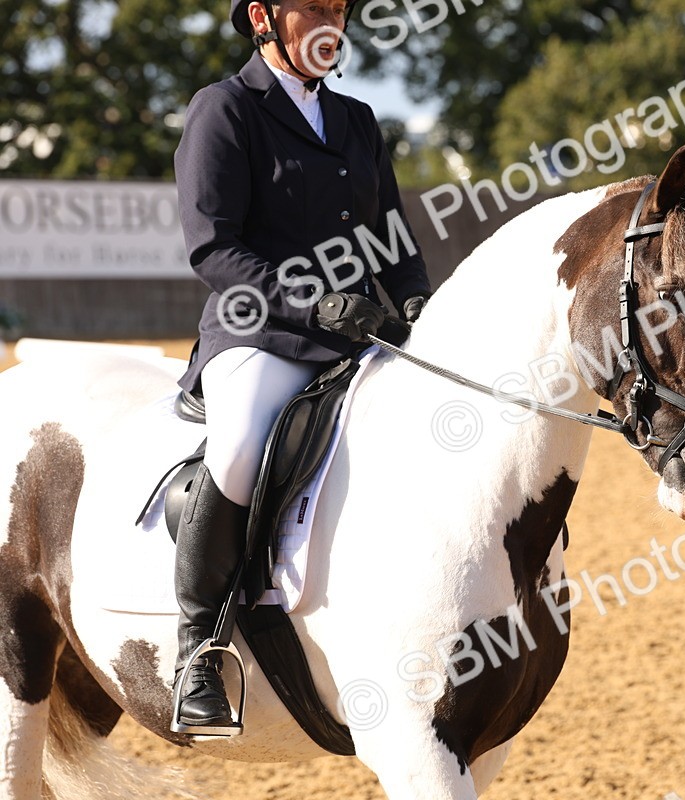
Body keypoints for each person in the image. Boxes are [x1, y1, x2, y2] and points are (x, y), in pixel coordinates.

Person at [171, 0, 431, 732]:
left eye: (340, 10)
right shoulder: (224, 108)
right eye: (314, 7)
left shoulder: (355, 119)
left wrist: (416, 305)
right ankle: (198, 650)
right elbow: (212, 246)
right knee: (243, 443)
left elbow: (394, 237)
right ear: (262, 14)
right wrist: (311, 304)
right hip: (259, 335)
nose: (331, 23)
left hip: (355, 334)